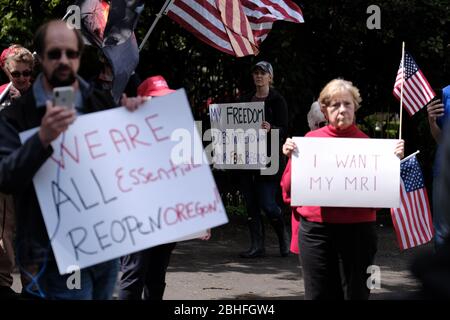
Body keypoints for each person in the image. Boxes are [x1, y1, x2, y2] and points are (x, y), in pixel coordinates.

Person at [0, 20, 144, 300]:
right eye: (55, 54)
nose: (64, 60)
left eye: (71, 53)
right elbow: (6, 176)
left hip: (103, 247)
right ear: (41, 58)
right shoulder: (17, 114)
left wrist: (137, 126)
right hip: (48, 249)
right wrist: (42, 140)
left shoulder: (100, 103)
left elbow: (124, 170)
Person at [281, 79, 405, 300]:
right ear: (324, 110)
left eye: (347, 104)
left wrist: (392, 164)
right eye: (335, 105)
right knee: (319, 294)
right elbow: (288, 192)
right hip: (316, 234)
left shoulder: (371, 147)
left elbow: (382, 197)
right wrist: (293, 159)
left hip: (359, 234)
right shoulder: (308, 143)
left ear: (355, 108)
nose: (342, 110)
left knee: (356, 294)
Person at [118, 75, 177, 301]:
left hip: (167, 217)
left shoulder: (176, 132)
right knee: (133, 276)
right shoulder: (125, 134)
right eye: (155, 99)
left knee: (156, 278)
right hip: (137, 218)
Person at [239, 61, 289, 258]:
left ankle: (283, 237)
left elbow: (284, 130)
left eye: (263, 73)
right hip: (246, 159)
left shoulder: (278, 101)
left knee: (267, 203)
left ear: (270, 77)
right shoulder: (244, 100)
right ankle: (257, 245)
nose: (259, 76)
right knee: (250, 205)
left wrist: (272, 129)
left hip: (269, 159)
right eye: (256, 73)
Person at [426, 85, 450, 250]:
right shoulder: (445, 94)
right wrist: (432, 121)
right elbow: (440, 139)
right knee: (442, 232)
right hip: (444, 172)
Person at [0, 45, 34, 109]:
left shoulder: (40, 94)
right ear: (7, 71)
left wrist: (20, 103)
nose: (21, 78)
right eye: (15, 74)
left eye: (26, 73)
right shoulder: (1, 91)